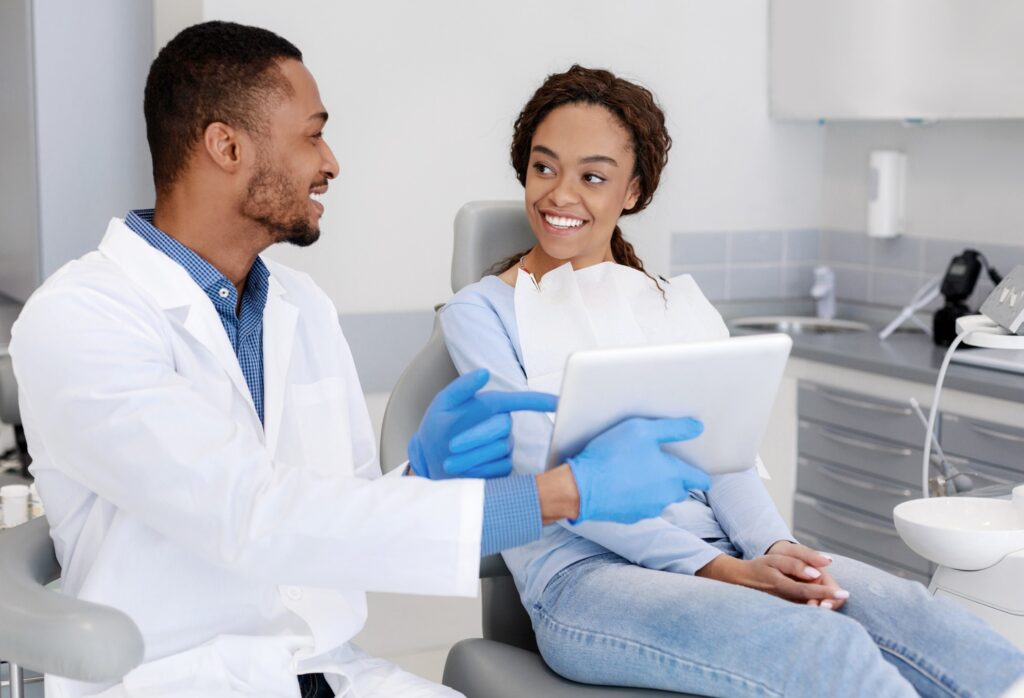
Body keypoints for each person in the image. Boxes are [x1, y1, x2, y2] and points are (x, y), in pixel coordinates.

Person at [8, 26, 712, 698]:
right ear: (226, 147)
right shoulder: (82, 320)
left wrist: (422, 477)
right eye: (312, 134)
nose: (331, 162)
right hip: (178, 680)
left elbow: (337, 508)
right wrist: (563, 494)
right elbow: (252, 515)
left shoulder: (301, 306)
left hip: (332, 673)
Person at [437, 65, 1024, 697]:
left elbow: (727, 458)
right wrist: (716, 568)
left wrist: (773, 547)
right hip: (585, 577)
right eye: (544, 167)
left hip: (722, 551)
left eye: (593, 176)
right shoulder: (481, 313)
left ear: (632, 191)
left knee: (933, 626)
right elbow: (542, 474)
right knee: (821, 647)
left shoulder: (671, 306)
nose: (559, 195)